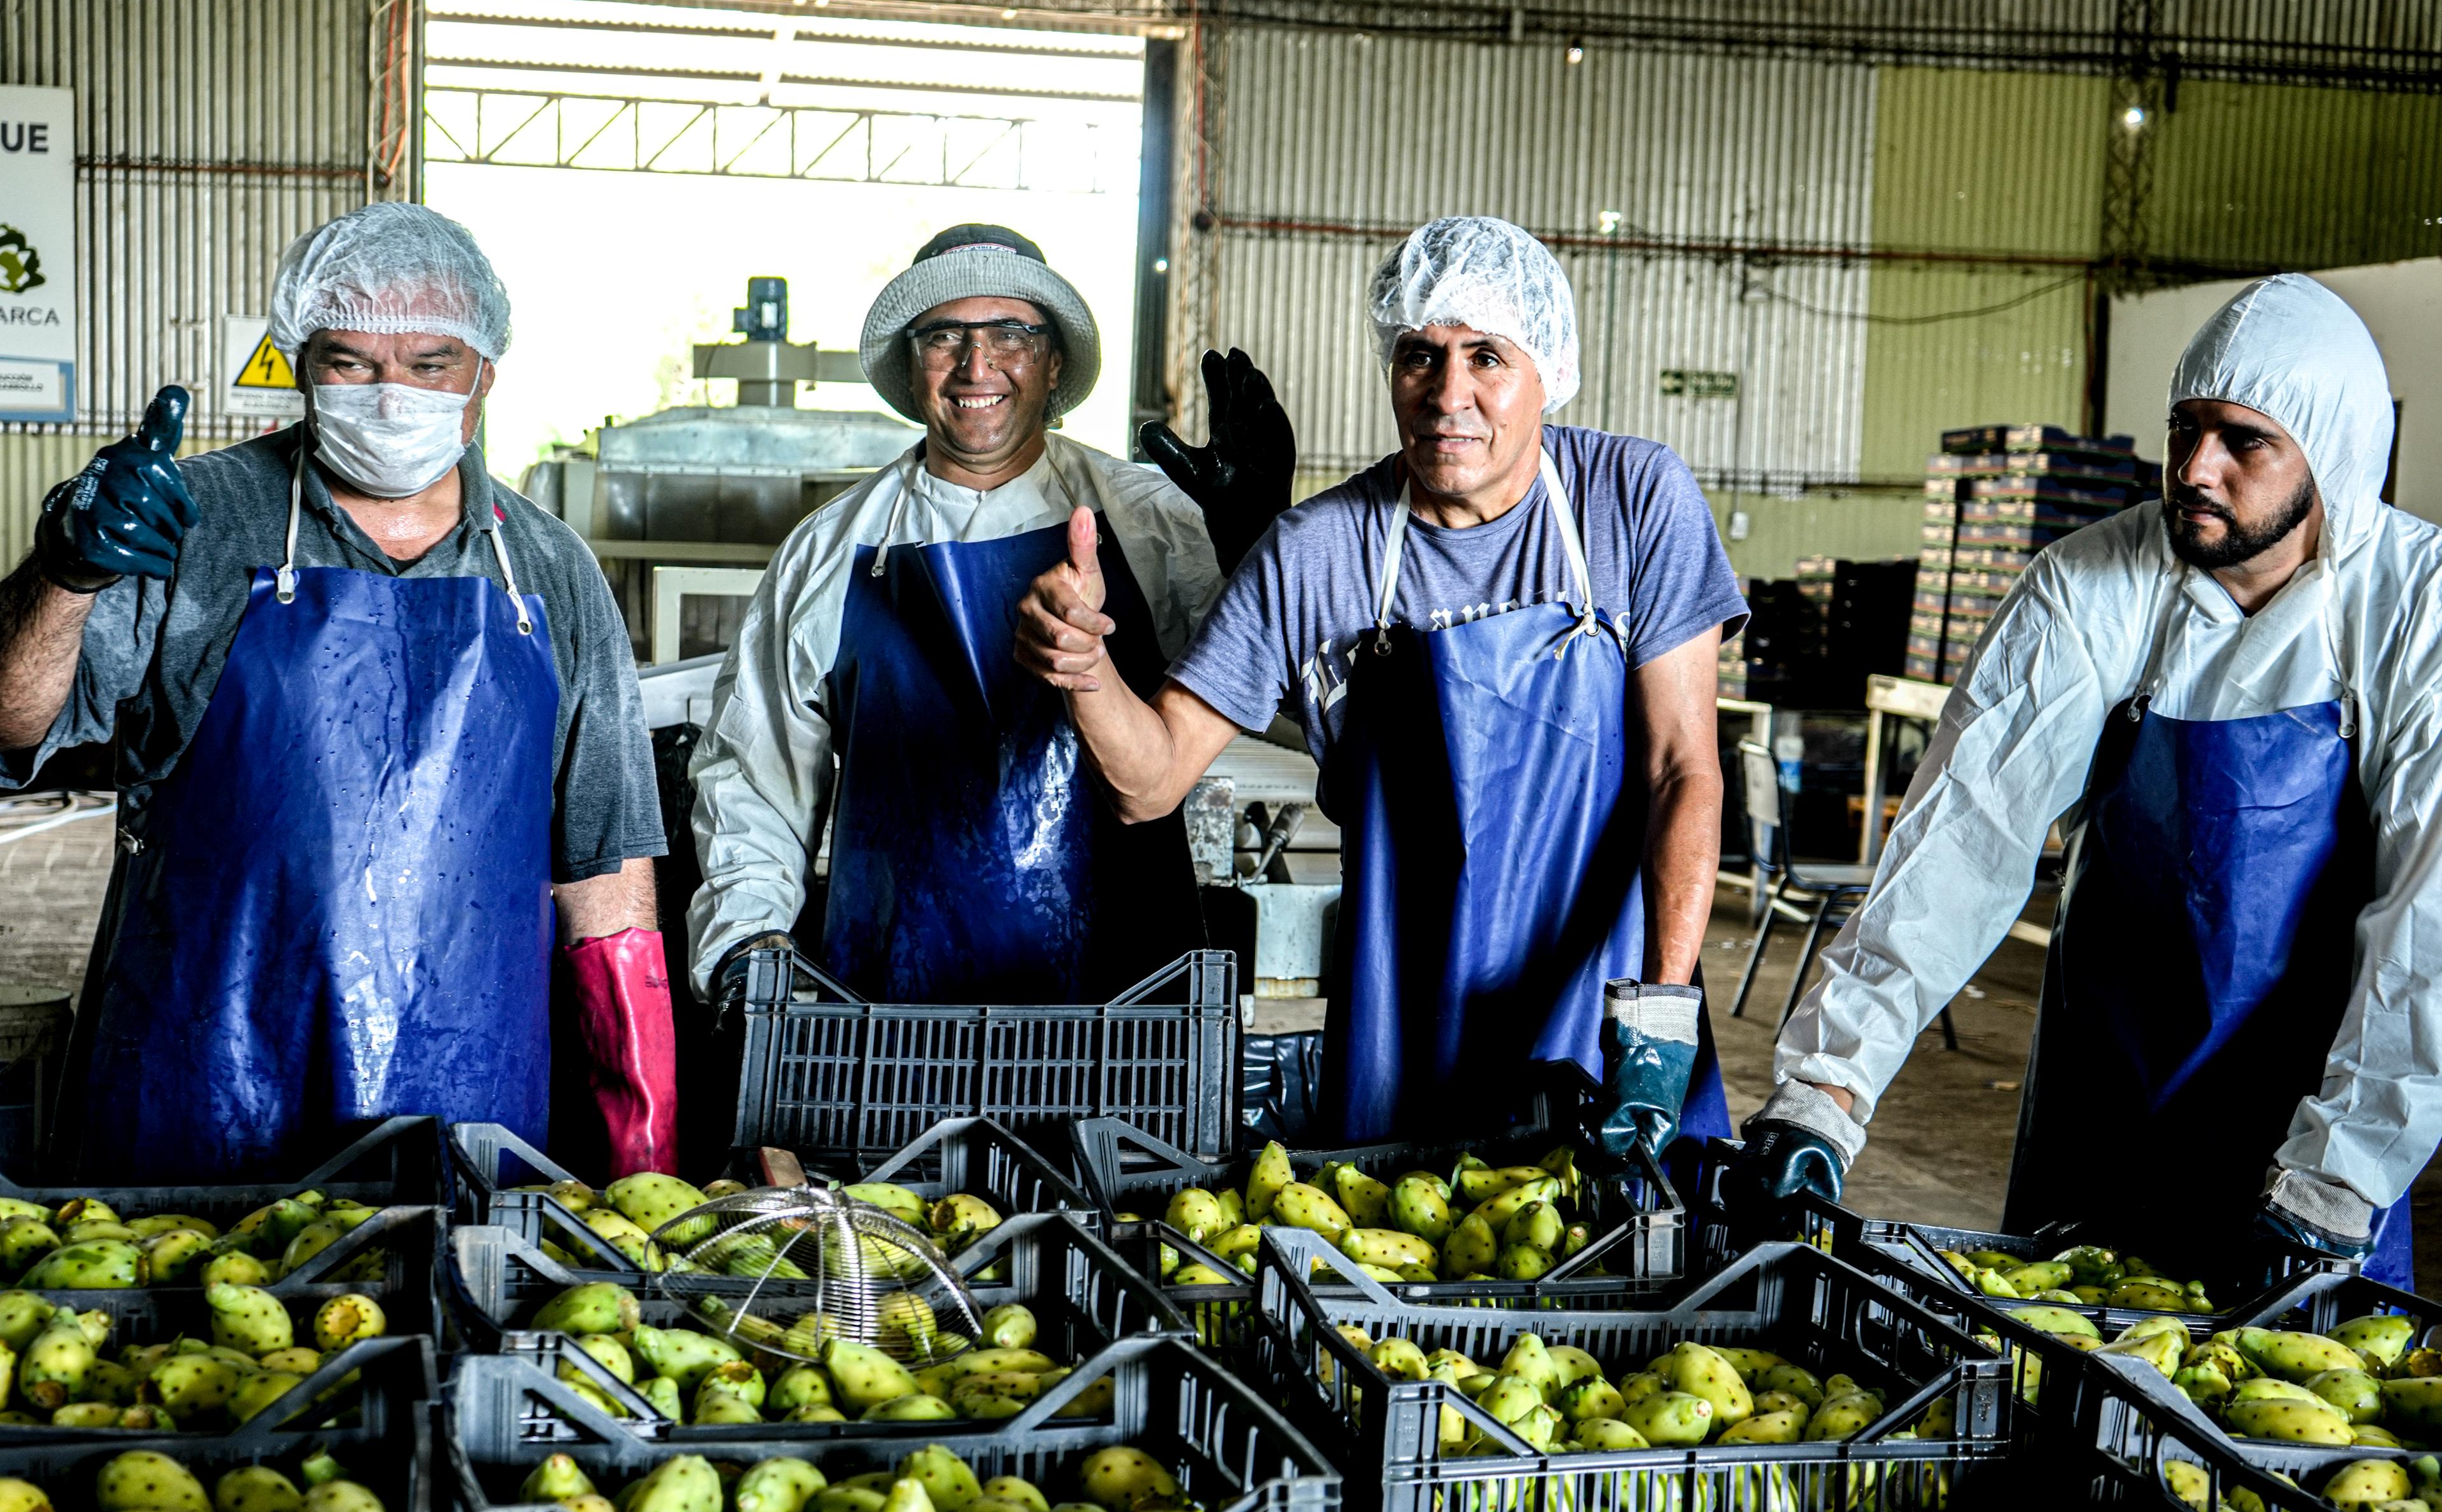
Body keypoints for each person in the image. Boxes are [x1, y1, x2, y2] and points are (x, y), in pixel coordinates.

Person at [0, 202, 677, 1182]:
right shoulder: (188, 519)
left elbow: (606, 872)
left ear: (485, 374)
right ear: (299, 364)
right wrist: (66, 575)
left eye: (430, 364)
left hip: (465, 1091)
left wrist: (641, 1144)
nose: (389, 394)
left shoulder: (549, 567)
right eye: (351, 362)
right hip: (200, 1084)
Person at [1729, 274, 2442, 1285]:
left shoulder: (2418, 613)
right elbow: (1960, 840)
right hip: (2104, 1088)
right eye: (2184, 426)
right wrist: (1823, 1095)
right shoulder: (2089, 585)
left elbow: (2430, 928)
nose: (2195, 466)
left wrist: (2339, 1180)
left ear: (2331, 454)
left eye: (2246, 440)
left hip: (2318, 1130)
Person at [1013, 215, 1746, 1154]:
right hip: (1402, 1018)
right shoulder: (1318, 552)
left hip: (1603, 1008)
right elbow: (1148, 781)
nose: (1450, 395)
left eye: (1488, 357)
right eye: (1419, 356)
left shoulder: (1631, 499)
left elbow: (1681, 771)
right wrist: (1087, 672)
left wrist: (1662, 1013)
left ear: (1547, 370)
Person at [685, 222, 1292, 1007]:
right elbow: (753, 777)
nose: (977, 365)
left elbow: (1286, 701)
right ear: (911, 367)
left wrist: (1262, 550)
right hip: (890, 1029)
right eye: (944, 336)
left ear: (1053, 363)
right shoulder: (829, 551)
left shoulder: (1154, 523)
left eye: (1010, 333)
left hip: (1126, 1021)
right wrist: (747, 942)